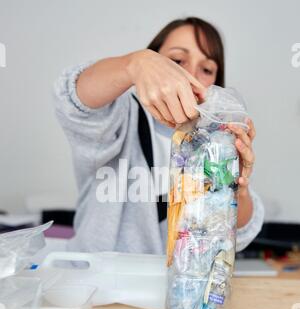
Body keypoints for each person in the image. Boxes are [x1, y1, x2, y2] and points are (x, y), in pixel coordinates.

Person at [53, 17, 264, 254]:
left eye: (206, 69)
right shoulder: (120, 114)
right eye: (176, 60)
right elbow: (72, 100)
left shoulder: (214, 144)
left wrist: (238, 189)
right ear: (153, 63)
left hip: (173, 289)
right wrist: (133, 64)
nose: (190, 76)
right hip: (96, 284)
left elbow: (237, 233)